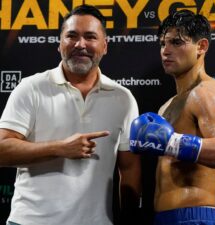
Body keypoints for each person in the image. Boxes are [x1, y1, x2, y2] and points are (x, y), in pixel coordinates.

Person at [0, 5, 140, 225]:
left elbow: (130, 168)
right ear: (59, 44)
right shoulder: (30, 88)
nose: (80, 44)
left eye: (90, 37)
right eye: (71, 36)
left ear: (104, 46)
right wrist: (59, 148)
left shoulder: (123, 98)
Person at [129, 10, 215, 225]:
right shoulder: (167, 106)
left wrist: (173, 142)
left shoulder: (208, 91)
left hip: (195, 217)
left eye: (176, 43)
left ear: (201, 47)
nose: (166, 51)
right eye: (163, 43)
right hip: (165, 217)